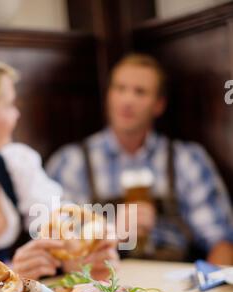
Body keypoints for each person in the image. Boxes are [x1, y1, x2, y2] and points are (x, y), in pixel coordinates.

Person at [0, 50, 118, 280]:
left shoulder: (15, 164)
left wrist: (88, 253)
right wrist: (7, 276)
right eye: (10, 104)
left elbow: (59, 223)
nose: (17, 115)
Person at [46, 53, 233, 264]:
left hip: (175, 282)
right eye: (120, 89)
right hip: (103, 284)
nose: (128, 100)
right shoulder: (72, 162)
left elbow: (222, 241)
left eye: (140, 92)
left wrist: (212, 286)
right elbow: (58, 245)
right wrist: (111, 232)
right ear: (109, 96)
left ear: (159, 105)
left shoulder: (187, 159)